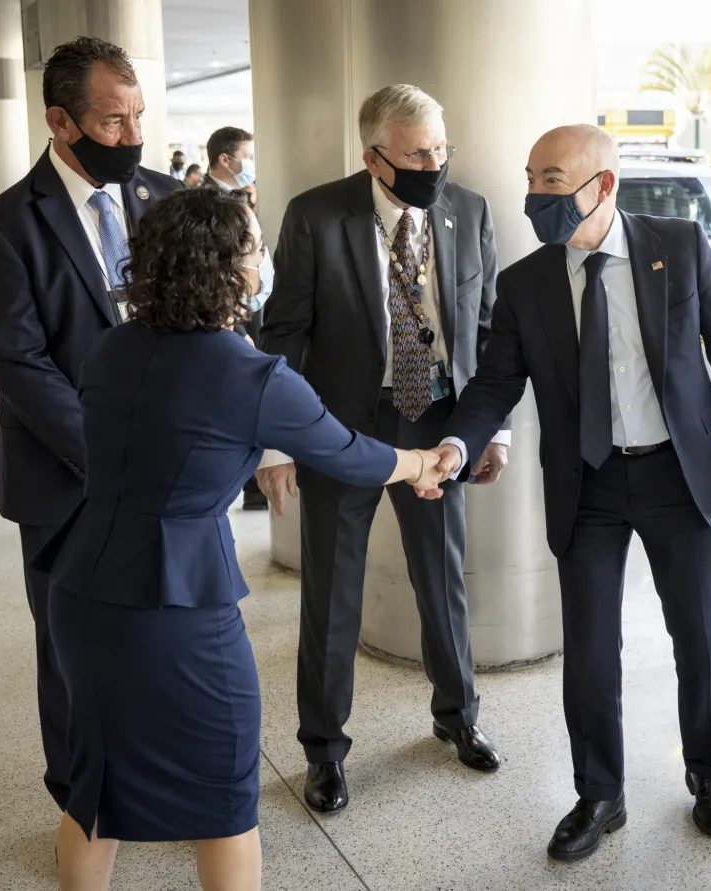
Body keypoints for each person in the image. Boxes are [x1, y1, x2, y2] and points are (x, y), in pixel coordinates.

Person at [37, 187, 449, 891]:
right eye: (255, 246)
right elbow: (348, 452)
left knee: (94, 782)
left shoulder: (113, 346)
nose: (263, 259)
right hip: (176, 607)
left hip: (81, 590)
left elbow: (173, 424)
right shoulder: (252, 374)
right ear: (229, 266)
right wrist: (418, 463)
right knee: (224, 792)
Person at [431, 125, 711, 861]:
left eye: (552, 180)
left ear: (604, 185)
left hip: (678, 474)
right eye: (531, 178)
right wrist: (461, 442)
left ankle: (708, 773)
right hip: (585, 481)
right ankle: (599, 793)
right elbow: (497, 381)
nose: (535, 195)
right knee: (589, 648)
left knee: (700, 637)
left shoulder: (678, 247)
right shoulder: (526, 283)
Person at [257, 84, 507, 814]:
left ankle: (458, 717)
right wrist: (279, 442)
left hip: (440, 426)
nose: (434, 163)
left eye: (441, 148)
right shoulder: (316, 215)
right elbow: (283, 336)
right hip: (345, 433)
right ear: (374, 156)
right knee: (332, 597)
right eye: (418, 153)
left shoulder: (469, 210)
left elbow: (486, 327)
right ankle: (324, 750)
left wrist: (492, 430)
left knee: (444, 580)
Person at [0, 36, 182, 817]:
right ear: (60, 121)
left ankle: (153, 782)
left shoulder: (166, 201)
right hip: (66, 480)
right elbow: (19, 362)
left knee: (160, 639)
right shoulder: (3, 226)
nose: (132, 138)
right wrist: (108, 456)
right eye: (113, 122)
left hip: (170, 475)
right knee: (70, 651)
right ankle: (81, 800)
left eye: (138, 119)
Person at [203, 125, 273, 511]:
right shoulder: (201, 206)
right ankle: (248, 481)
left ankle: (252, 482)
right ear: (225, 159)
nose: (252, 164)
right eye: (247, 155)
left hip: (251, 310)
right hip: (228, 317)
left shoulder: (246, 197)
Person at [203, 126, 257, 210]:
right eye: (249, 157)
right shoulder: (206, 204)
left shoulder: (238, 194)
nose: (253, 163)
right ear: (225, 160)